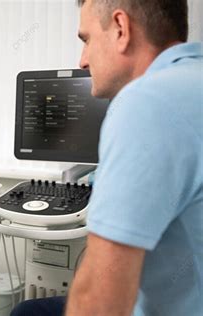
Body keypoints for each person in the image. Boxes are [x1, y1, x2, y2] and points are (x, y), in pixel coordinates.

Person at [12, 0, 202, 315]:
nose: (82, 60)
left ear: (121, 29)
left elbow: (99, 303)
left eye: (86, 40)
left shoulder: (146, 101)